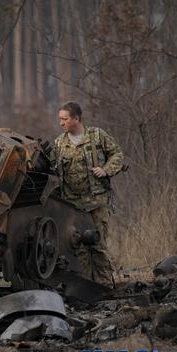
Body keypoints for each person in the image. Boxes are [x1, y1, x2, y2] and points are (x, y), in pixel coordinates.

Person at [49, 102, 124, 287]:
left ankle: (104, 286)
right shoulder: (60, 143)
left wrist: (106, 170)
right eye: (60, 119)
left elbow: (117, 154)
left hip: (97, 202)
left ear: (76, 118)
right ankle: (86, 287)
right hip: (73, 206)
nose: (61, 123)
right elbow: (52, 170)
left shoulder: (97, 136)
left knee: (97, 245)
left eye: (65, 119)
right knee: (78, 248)